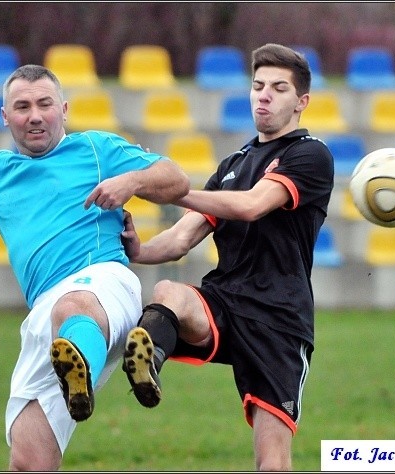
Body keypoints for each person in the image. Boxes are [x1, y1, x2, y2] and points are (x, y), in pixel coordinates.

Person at [0, 64, 189, 471]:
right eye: (21, 106)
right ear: (5, 116)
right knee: (28, 460)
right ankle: (74, 372)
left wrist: (133, 182)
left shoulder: (96, 149)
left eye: (44, 104)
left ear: (63, 109)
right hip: (45, 316)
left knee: (72, 307)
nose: (34, 115)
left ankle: (81, 366)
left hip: (103, 285)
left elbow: (177, 178)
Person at [120, 43, 334, 471]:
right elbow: (181, 239)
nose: (264, 95)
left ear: (301, 102)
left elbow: (253, 205)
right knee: (169, 292)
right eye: (258, 86)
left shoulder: (310, 154)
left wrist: (166, 188)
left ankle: (145, 356)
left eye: (278, 88)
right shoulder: (233, 163)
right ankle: (145, 368)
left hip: (279, 319)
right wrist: (138, 249)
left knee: (271, 464)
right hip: (226, 301)